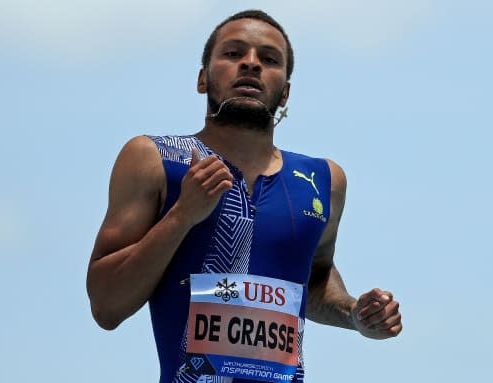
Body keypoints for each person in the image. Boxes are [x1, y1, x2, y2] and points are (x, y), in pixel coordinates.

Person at [86, 9, 402, 383]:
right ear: (203, 79)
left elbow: (313, 278)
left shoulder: (324, 180)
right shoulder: (155, 159)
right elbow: (106, 306)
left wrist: (355, 313)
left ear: (285, 92)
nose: (251, 64)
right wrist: (182, 214)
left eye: (269, 59)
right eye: (233, 53)